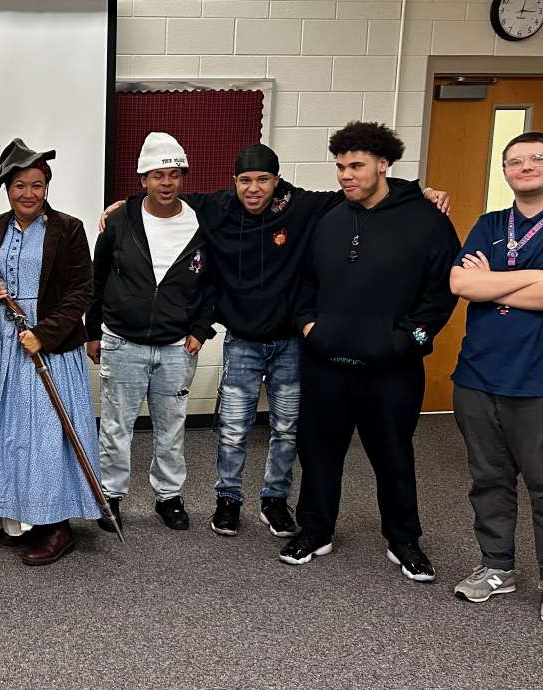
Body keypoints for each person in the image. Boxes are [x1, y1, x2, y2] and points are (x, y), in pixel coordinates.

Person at [100, 145, 449, 540]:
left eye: (263, 180)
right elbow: (164, 194)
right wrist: (125, 205)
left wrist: (419, 191)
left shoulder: (302, 205)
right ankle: (228, 501)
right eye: (245, 180)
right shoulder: (217, 206)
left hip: (290, 345)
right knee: (232, 429)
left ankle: (274, 501)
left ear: (277, 180)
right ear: (234, 182)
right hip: (242, 342)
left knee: (286, 429)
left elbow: (362, 189)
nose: (254, 189)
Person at [283, 121, 460, 583]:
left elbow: (441, 296)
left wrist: (406, 342)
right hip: (326, 364)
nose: (346, 175)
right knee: (318, 452)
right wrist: (310, 328)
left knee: (393, 455)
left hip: (392, 370)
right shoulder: (329, 219)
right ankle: (315, 530)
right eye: (340, 166)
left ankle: (404, 540)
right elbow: (304, 285)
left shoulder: (426, 220)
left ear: (383, 164)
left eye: (356, 165)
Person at [449, 131, 543, 627]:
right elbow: (462, 283)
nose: (525, 166)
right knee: (489, 481)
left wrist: (498, 284)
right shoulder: (490, 224)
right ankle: (496, 567)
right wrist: (537, 278)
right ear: (505, 171)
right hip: (478, 377)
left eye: (537, 158)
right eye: (514, 160)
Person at [0, 138, 99, 565]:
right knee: (5, 432)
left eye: (37, 184)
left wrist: (45, 334)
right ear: (6, 188)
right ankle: (21, 518)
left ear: (47, 187)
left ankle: (58, 526)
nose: (28, 193)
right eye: (19, 185)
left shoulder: (68, 229)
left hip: (46, 345)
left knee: (45, 434)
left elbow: (81, 290)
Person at [85, 132, 213, 533]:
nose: (166, 182)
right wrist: (93, 332)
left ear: (183, 177)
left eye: (174, 174)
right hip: (123, 342)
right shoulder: (120, 220)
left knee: (171, 428)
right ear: (143, 180)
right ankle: (112, 497)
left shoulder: (200, 222)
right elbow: (97, 277)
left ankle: (169, 498)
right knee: (116, 427)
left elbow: (212, 283)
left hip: (177, 347)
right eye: (158, 175)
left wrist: (201, 329)